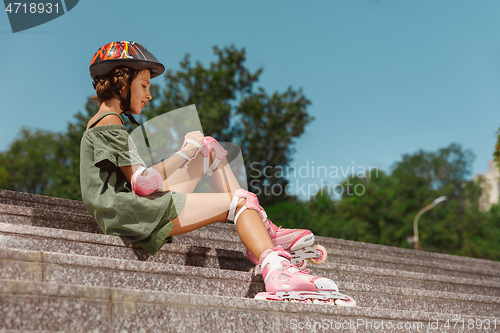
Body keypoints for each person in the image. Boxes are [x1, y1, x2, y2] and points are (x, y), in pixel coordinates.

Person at [80, 41, 355, 305]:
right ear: (120, 82)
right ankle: (277, 270)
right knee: (238, 202)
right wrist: (185, 151)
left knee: (209, 150)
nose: (149, 94)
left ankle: (263, 231)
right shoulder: (109, 123)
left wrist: (195, 150)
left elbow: (142, 182)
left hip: (131, 209)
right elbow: (143, 184)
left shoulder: (105, 123)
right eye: (144, 85)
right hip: (132, 213)